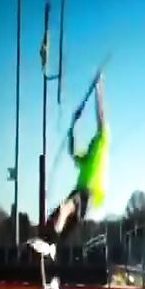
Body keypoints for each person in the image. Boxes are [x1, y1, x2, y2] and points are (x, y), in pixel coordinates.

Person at [29, 73, 110, 267]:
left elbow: (101, 116)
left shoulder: (102, 141)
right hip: (80, 193)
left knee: (65, 208)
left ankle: (52, 245)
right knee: (58, 217)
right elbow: (72, 151)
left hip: (91, 193)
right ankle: (51, 249)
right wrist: (72, 128)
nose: (89, 146)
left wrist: (99, 89)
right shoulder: (86, 158)